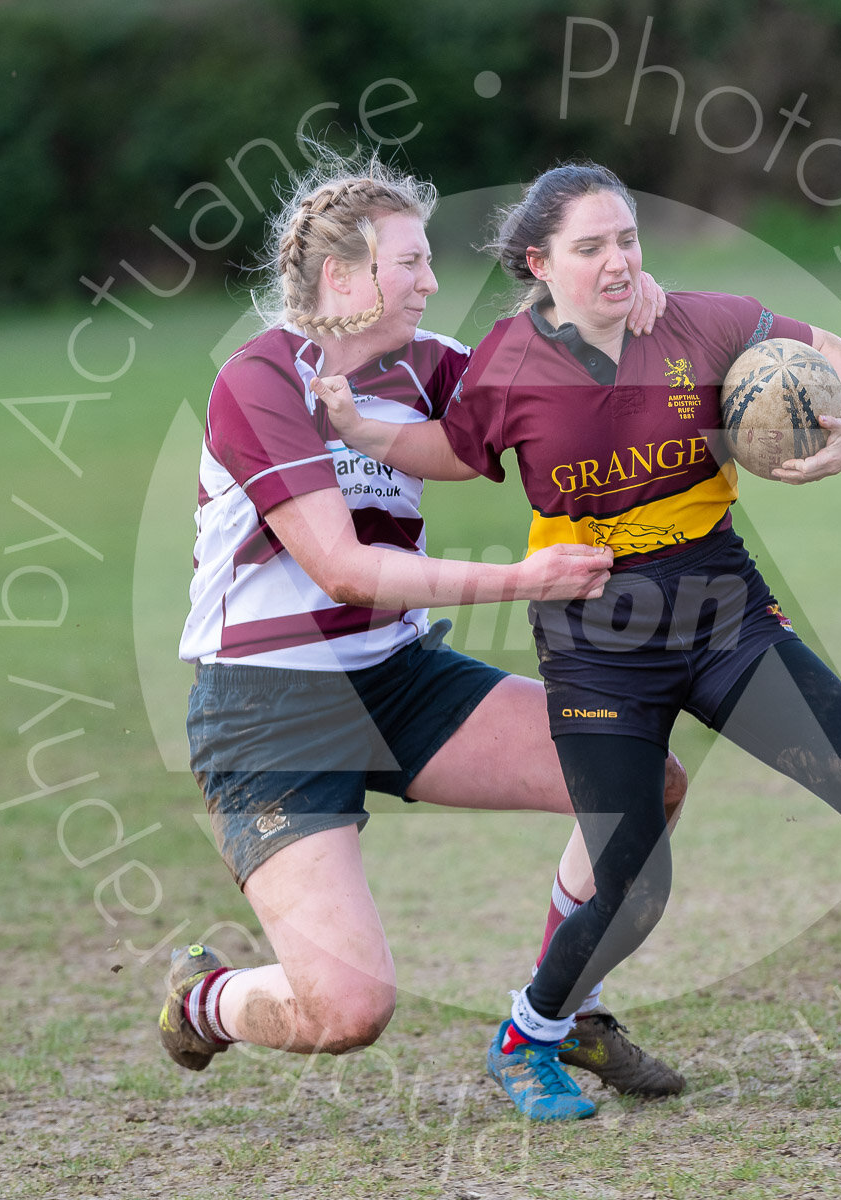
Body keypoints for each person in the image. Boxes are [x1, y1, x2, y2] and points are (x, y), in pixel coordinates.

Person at [315, 161, 841, 1122]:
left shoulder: (703, 322)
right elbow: (456, 452)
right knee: (631, 865)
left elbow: (828, 348)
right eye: (590, 247)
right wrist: (361, 427)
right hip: (598, 640)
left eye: (627, 240)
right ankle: (527, 1038)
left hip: (724, 615)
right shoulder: (507, 361)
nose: (617, 262)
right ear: (538, 261)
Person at [157, 152, 689, 1100]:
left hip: (397, 679)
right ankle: (207, 999)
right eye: (410, 263)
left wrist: (625, 300)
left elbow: (555, 378)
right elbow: (342, 567)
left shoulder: (430, 364)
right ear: (343, 279)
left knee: (638, 782)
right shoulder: (260, 382)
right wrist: (523, 580)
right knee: (346, 1011)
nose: (431, 281)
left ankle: (562, 1012)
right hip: (265, 711)